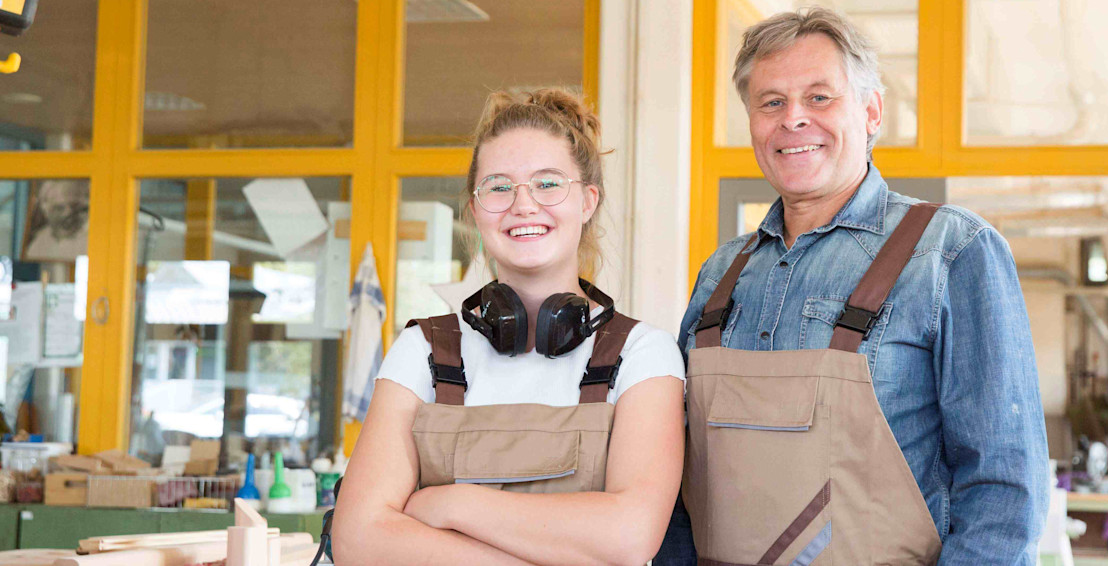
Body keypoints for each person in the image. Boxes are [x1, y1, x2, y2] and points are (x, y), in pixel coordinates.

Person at [655, 8, 1048, 565]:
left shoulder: (952, 252)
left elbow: (1003, 496)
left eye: (819, 97)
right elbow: (678, 480)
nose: (793, 120)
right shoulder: (721, 274)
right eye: (771, 102)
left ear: (870, 111)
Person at [334, 89, 686, 566]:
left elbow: (629, 535)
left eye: (547, 184)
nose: (523, 205)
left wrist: (451, 504)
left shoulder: (643, 353)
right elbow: (357, 538)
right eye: (499, 187)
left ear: (587, 200)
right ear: (476, 210)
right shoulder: (424, 350)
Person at [23, 178, 89, 262]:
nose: (67, 214)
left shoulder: (88, 239)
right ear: (46, 211)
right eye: (59, 208)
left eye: (74, 206)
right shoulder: (40, 242)